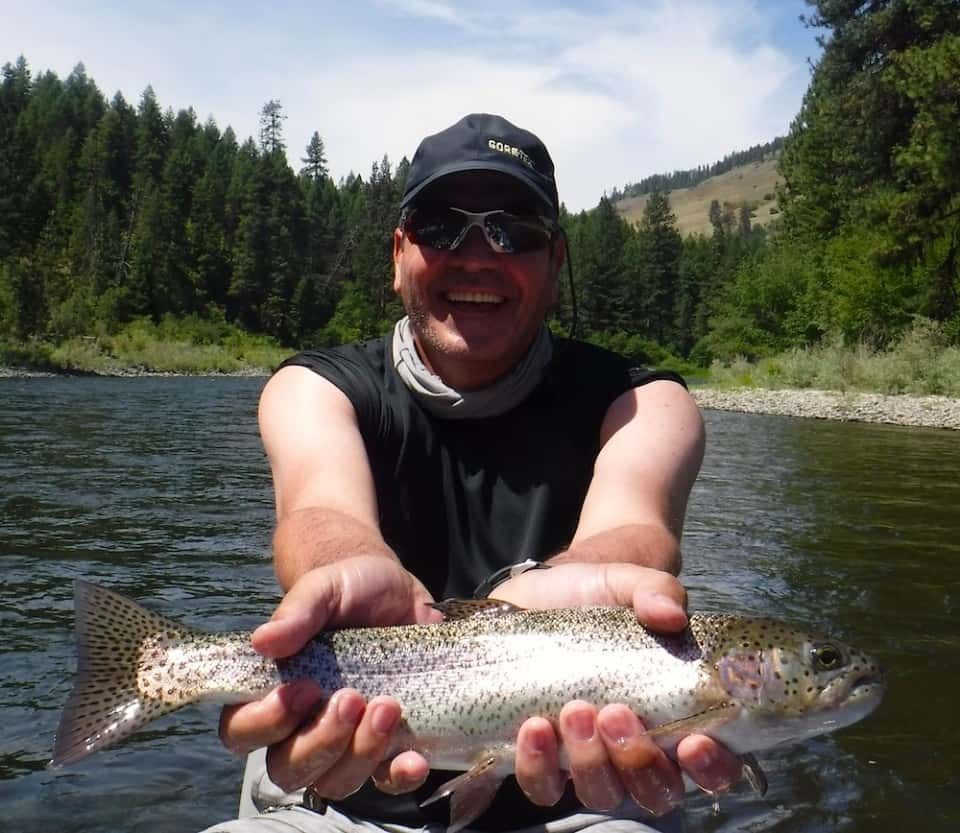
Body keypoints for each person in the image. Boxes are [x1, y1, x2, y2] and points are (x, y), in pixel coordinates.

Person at [205, 113, 741, 833]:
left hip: (580, 807)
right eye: (442, 226)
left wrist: (589, 593)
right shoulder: (313, 388)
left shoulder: (648, 404)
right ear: (398, 253)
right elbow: (320, 514)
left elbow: (632, 529)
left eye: (513, 229)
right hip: (334, 794)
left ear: (556, 259)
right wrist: (346, 561)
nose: (478, 256)